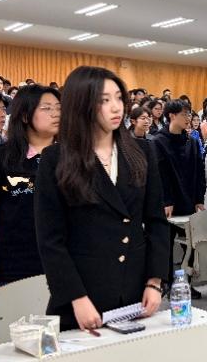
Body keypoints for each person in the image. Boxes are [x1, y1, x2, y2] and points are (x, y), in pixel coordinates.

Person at [34, 66, 168, 331]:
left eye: (119, 98)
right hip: (82, 295)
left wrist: (155, 281)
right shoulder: (56, 159)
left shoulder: (141, 151)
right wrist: (76, 297)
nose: (116, 107)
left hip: (135, 291)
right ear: (81, 104)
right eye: (104, 100)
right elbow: (50, 239)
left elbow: (156, 221)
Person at [0, 86, 60, 290]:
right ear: (24, 115)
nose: (56, 114)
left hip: (65, 263)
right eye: (46, 108)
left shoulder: (74, 158)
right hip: (14, 266)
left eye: (59, 108)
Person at [151, 100, 205, 292]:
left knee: (190, 245)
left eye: (189, 114)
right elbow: (159, 174)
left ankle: (186, 284)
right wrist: (167, 200)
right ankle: (165, 283)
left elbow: (199, 171)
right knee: (165, 245)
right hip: (167, 203)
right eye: (184, 114)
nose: (188, 118)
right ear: (172, 116)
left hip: (188, 200)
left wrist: (199, 199)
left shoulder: (192, 142)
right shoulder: (158, 141)